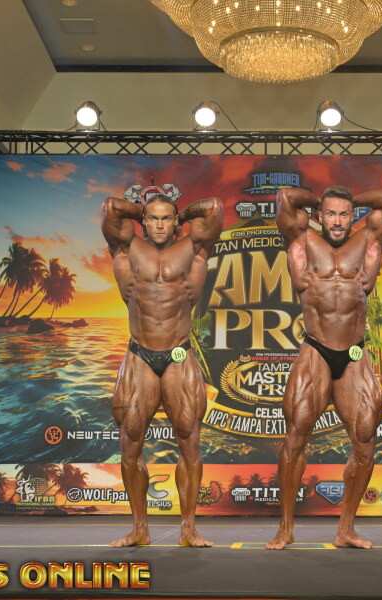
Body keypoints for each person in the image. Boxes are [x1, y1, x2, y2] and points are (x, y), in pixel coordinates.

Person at [266, 186, 382, 549]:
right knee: (296, 437)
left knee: (365, 440)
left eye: (344, 214)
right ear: (319, 216)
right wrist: (321, 199)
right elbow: (285, 198)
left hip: (354, 353)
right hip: (316, 349)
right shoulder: (301, 240)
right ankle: (285, 528)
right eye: (330, 214)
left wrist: (353, 200)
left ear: (353, 215)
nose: (338, 221)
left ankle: (346, 529)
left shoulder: (369, 241)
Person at [101, 193, 224, 547]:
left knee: (190, 442)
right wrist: (142, 209)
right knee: (130, 444)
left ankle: (188, 529)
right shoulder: (126, 249)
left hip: (179, 354)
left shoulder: (193, 249)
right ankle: (139, 528)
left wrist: (182, 213)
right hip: (139, 355)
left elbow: (213, 208)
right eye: (152, 218)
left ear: (175, 222)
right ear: (143, 221)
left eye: (166, 218)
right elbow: (111, 207)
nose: (158, 224)